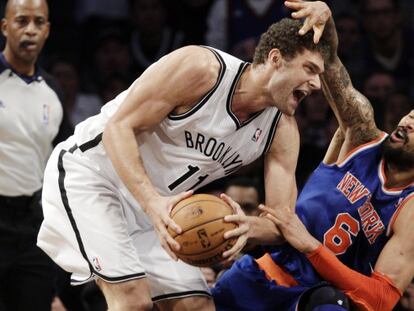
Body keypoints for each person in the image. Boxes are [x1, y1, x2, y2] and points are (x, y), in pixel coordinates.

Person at [37, 8, 330, 311]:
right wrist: (153, 204)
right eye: (309, 69)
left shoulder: (281, 130)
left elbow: (282, 220)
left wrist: (248, 226)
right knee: (131, 301)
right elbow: (118, 129)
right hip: (92, 174)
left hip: (157, 209)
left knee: (197, 306)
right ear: (275, 59)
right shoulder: (202, 68)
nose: (317, 85)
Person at [212, 1, 414, 310]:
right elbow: (330, 65)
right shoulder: (362, 135)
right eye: (411, 116)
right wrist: (325, 19)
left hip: (321, 298)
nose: (408, 122)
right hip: (263, 274)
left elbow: (381, 299)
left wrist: (311, 247)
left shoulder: (410, 209)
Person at [0, 0, 72, 310]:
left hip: (33, 226)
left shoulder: (52, 90)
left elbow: (65, 160)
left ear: (48, 31)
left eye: (38, 22)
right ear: (5, 27)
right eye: (21, 21)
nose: (30, 29)